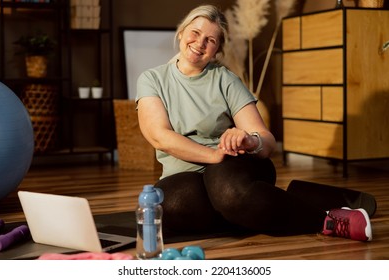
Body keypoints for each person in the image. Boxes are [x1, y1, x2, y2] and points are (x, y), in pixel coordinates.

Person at [135, 5, 376, 241]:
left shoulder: (225, 79)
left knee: (228, 193)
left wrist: (249, 140)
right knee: (168, 207)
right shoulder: (153, 79)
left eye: (210, 40)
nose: (200, 43)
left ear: (217, 49)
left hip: (232, 169)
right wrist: (212, 155)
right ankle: (276, 200)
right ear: (181, 32)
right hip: (190, 173)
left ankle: (328, 221)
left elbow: (266, 140)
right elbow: (159, 136)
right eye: (195, 33)